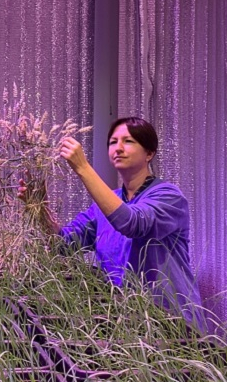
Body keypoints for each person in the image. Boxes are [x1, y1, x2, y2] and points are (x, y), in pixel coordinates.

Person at [20, 116, 204, 328]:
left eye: (128, 141)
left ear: (149, 153)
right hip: (128, 327)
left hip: (173, 325)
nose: (118, 148)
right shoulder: (105, 205)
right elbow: (63, 244)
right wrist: (39, 208)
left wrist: (83, 168)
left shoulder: (169, 196)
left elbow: (132, 223)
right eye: (113, 142)